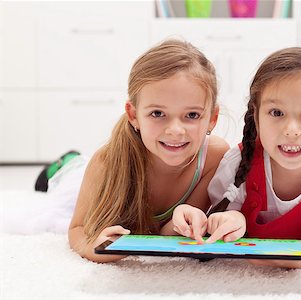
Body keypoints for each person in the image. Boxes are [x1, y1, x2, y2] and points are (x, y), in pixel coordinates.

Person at [0, 39, 229, 263]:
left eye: (192, 115)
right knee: (66, 186)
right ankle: (65, 163)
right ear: (133, 115)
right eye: (158, 113)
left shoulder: (214, 156)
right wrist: (93, 248)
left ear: (212, 118)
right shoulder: (106, 162)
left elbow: (168, 230)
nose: (175, 130)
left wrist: (185, 225)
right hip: (85, 179)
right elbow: (77, 228)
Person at [175, 47, 301, 268]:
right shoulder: (238, 162)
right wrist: (231, 221)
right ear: (257, 118)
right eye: (277, 113)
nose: (291, 130)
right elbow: (220, 217)